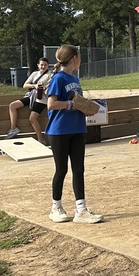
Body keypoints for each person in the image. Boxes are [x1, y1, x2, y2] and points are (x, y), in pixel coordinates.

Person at [44, 45, 103, 224]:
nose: (80, 60)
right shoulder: (58, 78)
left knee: (79, 169)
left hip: (77, 128)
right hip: (59, 130)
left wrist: (86, 108)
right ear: (73, 59)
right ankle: (56, 207)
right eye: (79, 57)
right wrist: (71, 105)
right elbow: (51, 104)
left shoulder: (75, 79)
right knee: (61, 169)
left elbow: (78, 102)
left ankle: (81, 210)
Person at [6, 57, 52, 142]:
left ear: (48, 66)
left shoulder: (49, 75)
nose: (43, 66)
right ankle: (13, 128)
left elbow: (50, 88)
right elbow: (25, 85)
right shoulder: (34, 74)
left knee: (32, 118)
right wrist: (34, 86)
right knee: (12, 105)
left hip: (41, 99)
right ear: (38, 65)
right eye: (41, 65)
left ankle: (41, 139)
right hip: (31, 96)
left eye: (45, 65)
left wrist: (43, 89)